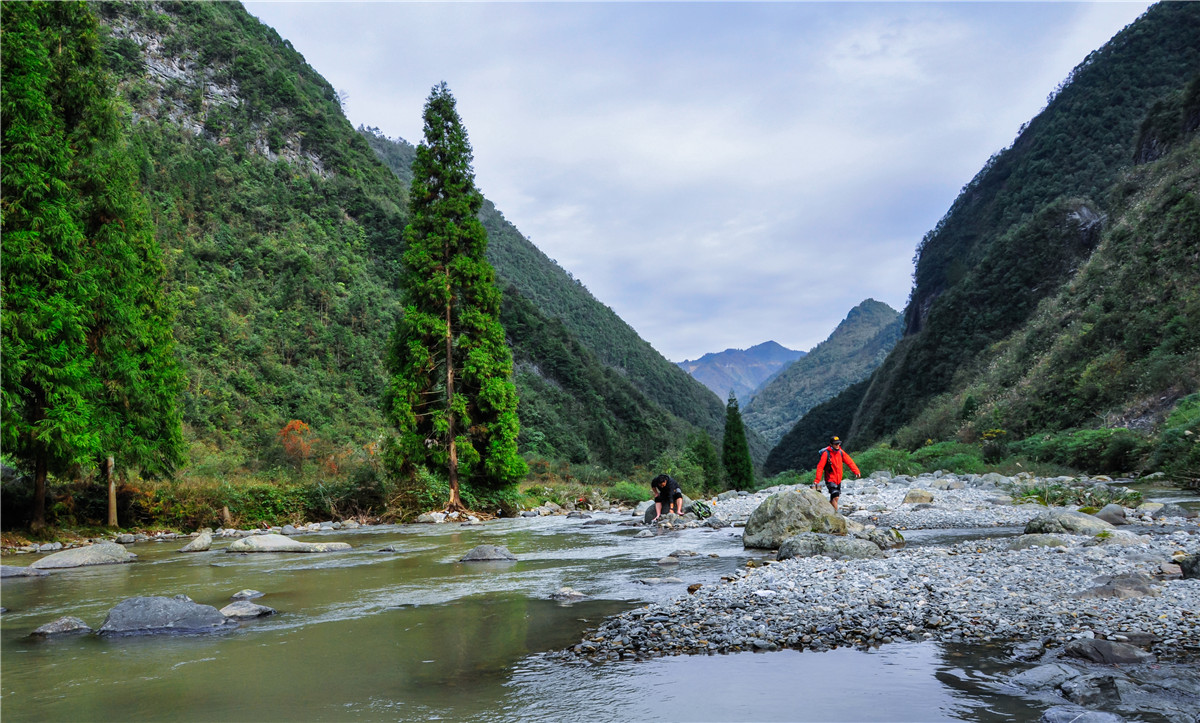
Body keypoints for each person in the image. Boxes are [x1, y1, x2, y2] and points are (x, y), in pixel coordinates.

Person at [813, 436, 859, 512]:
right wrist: (817, 480)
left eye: (838, 443)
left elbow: (849, 462)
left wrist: (856, 471)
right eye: (835, 444)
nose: (837, 445)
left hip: (838, 479)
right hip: (830, 479)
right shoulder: (826, 454)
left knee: (834, 498)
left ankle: (827, 510)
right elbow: (820, 467)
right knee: (836, 497)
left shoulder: (841, 452)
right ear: (831, 444)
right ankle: (836, 515)